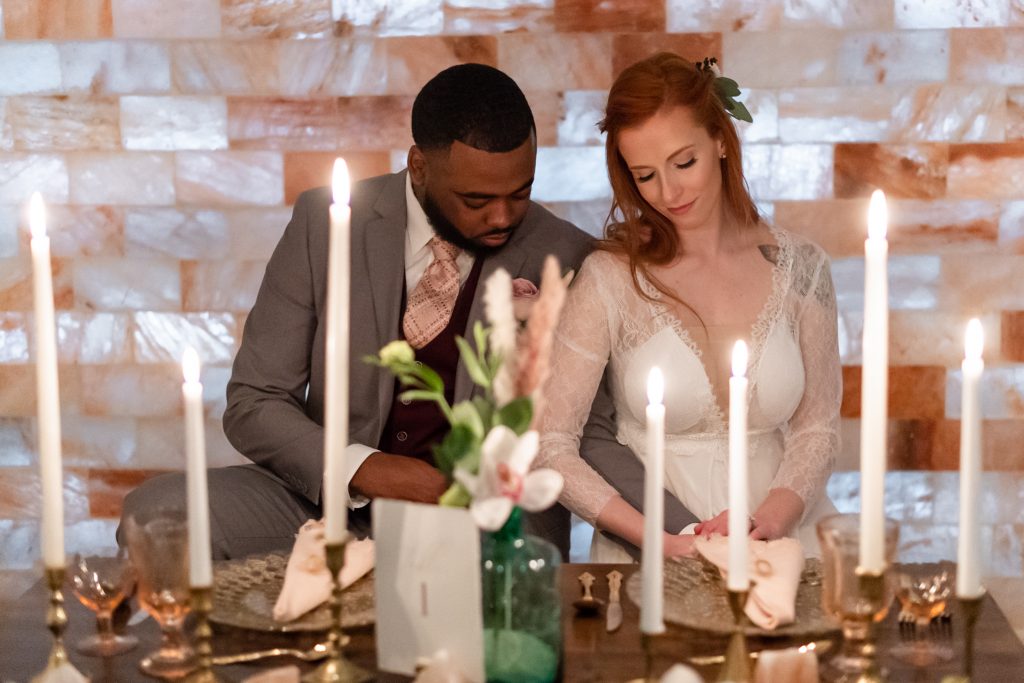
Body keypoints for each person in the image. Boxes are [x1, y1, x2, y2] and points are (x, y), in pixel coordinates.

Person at [119, 63, 696, 561]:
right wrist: (364, 469)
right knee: (162, 515)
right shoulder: (325, 223)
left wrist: (693, 529)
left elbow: (588, 436)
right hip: (322, 500)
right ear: (419, 166)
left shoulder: (565, 255)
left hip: (485, 521)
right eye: (476, 200)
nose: (501, 217)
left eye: (519, 193)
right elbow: (254, 401)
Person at [537, 52, 841, 562]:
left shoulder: (802, 268)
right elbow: (552, 445)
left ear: (720, 141)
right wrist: (662, 542)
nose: (669, 191)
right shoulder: (610, 278)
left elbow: (818, 429)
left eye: (684, 162)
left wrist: (765, 526)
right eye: (645, 175)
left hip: (785, 542)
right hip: (650, 551)